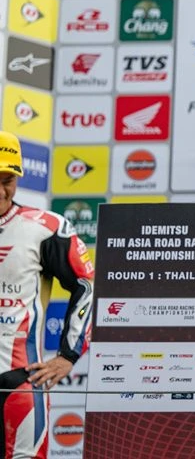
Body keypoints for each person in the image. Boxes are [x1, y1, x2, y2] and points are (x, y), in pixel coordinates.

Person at [0, 131, 94, 458]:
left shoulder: (45, 228)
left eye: (8, 181)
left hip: (19, 380)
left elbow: (86, 285)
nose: (1, 191)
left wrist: (68, 355)